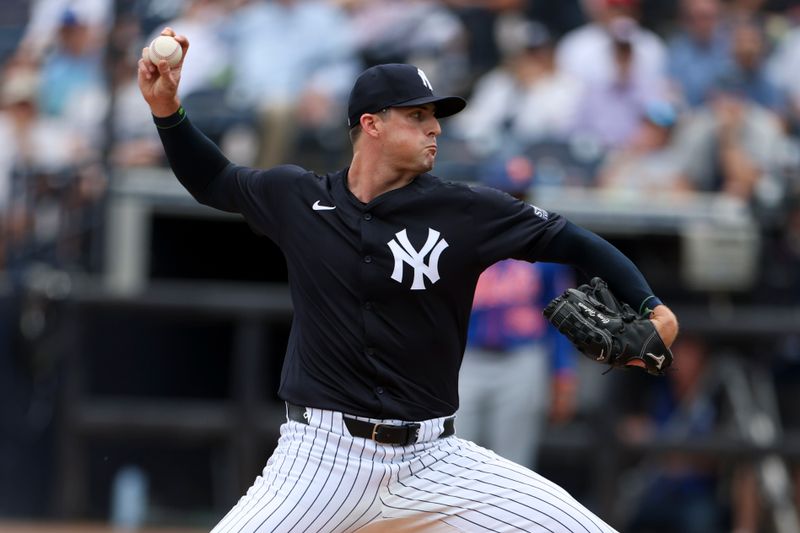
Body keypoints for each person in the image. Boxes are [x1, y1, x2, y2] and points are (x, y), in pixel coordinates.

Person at [138, 27, 679, 532]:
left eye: (435, 117)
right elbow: (215, 181)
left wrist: (653, 306)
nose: (435, 128)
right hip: (320, 458)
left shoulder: (464, 209)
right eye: (418, 115)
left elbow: (572, 239)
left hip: (435, 459)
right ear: (371, 124)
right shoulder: (297, 197)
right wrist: (168, 111)